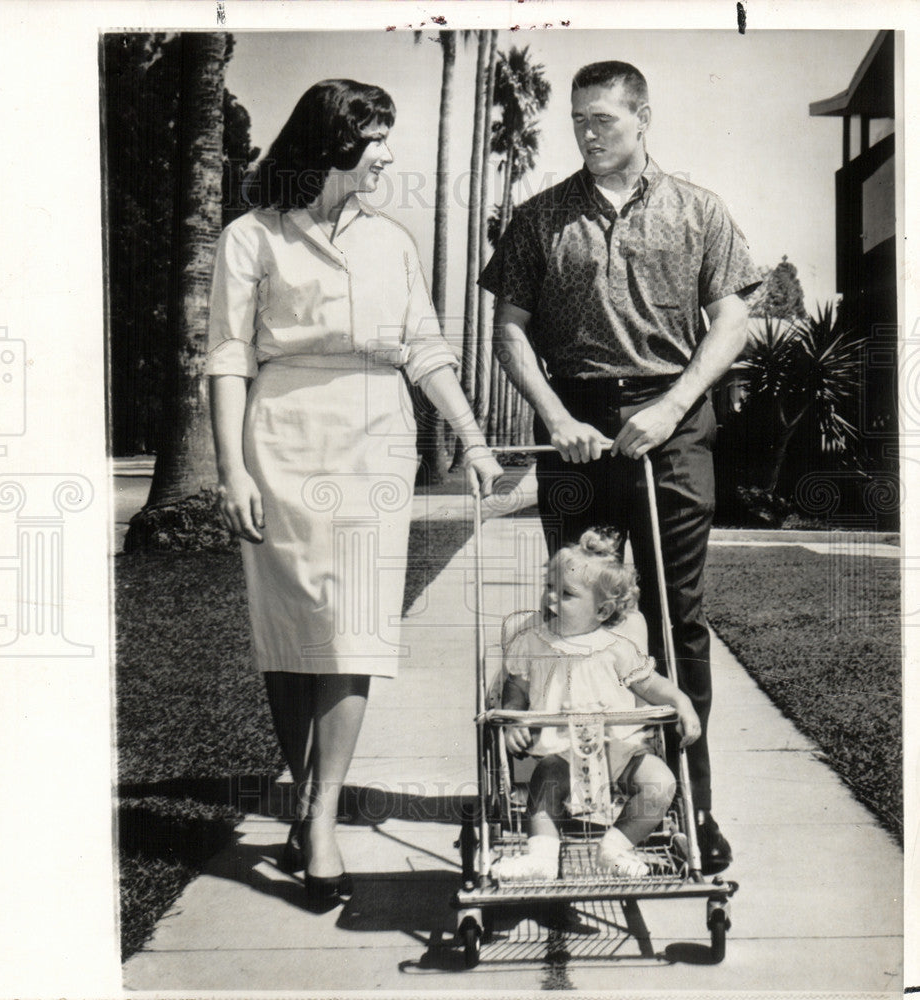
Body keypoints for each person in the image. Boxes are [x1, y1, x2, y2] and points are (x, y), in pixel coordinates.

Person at [206, 79, 502, 909]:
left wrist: (472, 438)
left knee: (355, 629)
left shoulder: (391, 243)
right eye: (376, 138)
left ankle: (324, 812)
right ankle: (304, 795)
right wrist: (231, 470)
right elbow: (229, 359)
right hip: (282, 440)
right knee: (293, 625)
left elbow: (426, 348)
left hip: (376, 445)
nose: (387, 154)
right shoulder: (252, 237)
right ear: (333, 142)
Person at [479, 61, 761, 873]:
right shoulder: (540, 218)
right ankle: (563, 793)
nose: (587, 132)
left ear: (642, 117)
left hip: (669, 427)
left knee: (678, 621)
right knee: (576, 614)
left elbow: (732, 318)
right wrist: (558, 417)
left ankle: (688, 805)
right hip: (575, 431)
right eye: (577, 120)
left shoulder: (698, 210)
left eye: (602, 118)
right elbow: (510, 330)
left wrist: (672, 405)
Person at [490, 529, 701, 882]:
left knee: (660, 783)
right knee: (546, 783)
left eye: (567, 594)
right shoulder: (531, 642)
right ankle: (541, 856)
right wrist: (516, 721)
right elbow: (516, 688)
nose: (551, 599)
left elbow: (650, 685)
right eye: (549, 587)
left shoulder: (617, 648)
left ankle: (615, 847)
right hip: (561, 749)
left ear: (602, 609)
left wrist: (680, 701)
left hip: (618, 747)